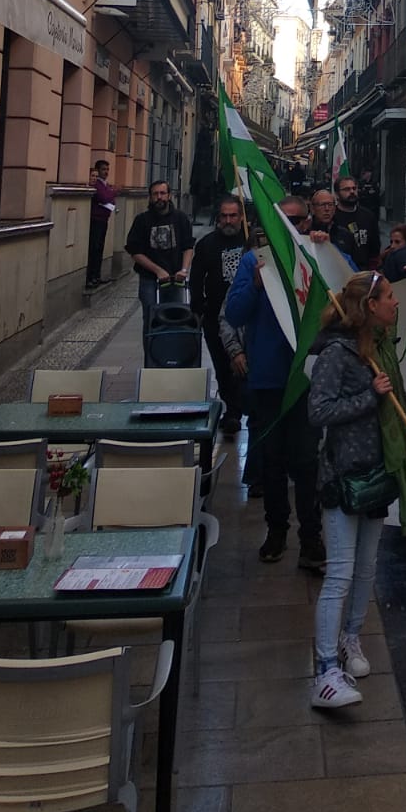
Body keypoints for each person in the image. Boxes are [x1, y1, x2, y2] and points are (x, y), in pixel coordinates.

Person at [308, 269, 406, 708]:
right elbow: (318, 410)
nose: (396, 303)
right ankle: (325, 670)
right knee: (340, 573)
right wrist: (370, 397)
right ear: (370, 306)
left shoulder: (377, 348)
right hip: (344, 474)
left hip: (377, 471)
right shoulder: (336, 354)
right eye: (389, 297)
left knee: (366, 568)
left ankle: (350, 637)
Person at [225, 195, 325, 572]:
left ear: (307, 223)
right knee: (272, 460)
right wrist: (254, 284)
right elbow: (234, 313)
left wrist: (328, 251)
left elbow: (350, 291)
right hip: (268, 377)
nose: (290, 227)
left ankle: (311, 536)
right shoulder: (255, 260)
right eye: (283, 220)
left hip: (307, 376)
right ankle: (277, 530)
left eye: (297, 221)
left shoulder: (316, 255)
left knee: (307, 460)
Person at [188, 196, 250, 437]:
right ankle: (232, 410)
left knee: (243, 365)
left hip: (245, 315)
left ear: (241, 217)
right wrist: (199, 307)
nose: (228, 220)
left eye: (233, 215)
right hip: (215, 316)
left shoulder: (250, 241)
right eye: (224, 216)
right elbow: (196, 278)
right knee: (222, 365)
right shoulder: (207, 244)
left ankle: (243, 406)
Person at [124, 180, 194, 346]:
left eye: (162, 193)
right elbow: (135, 251)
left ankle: (173, 352)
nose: (159, 197)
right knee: (151, 318)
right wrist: (157, 270)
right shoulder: (142, 220)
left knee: (176, 316)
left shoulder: (180, 218)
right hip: (150, 279)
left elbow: (188, 247)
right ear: (150, 197)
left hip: (175, 278)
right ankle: (152, 355)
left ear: (169, 196)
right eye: (155, 194)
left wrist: (184, 269)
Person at [330, 174, 381, 270]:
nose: (352, 192)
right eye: (347, 189)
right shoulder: (332, 217)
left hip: (363, 270)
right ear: (336, 194)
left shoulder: (368, 216)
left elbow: (375, 248)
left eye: (354, 188)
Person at [85, 160, 116, 289]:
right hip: (96, 220)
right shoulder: (97, 184)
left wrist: (110, 194)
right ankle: (91, 277)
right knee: (94, 248)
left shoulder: (106, 185)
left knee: (99, 248)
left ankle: (97, 276)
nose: (106, 172)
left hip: (103, 219)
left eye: (107, 169)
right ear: (98, 170)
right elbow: (104, 198)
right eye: (104, 169)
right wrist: (113, 192)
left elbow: (110, 200)